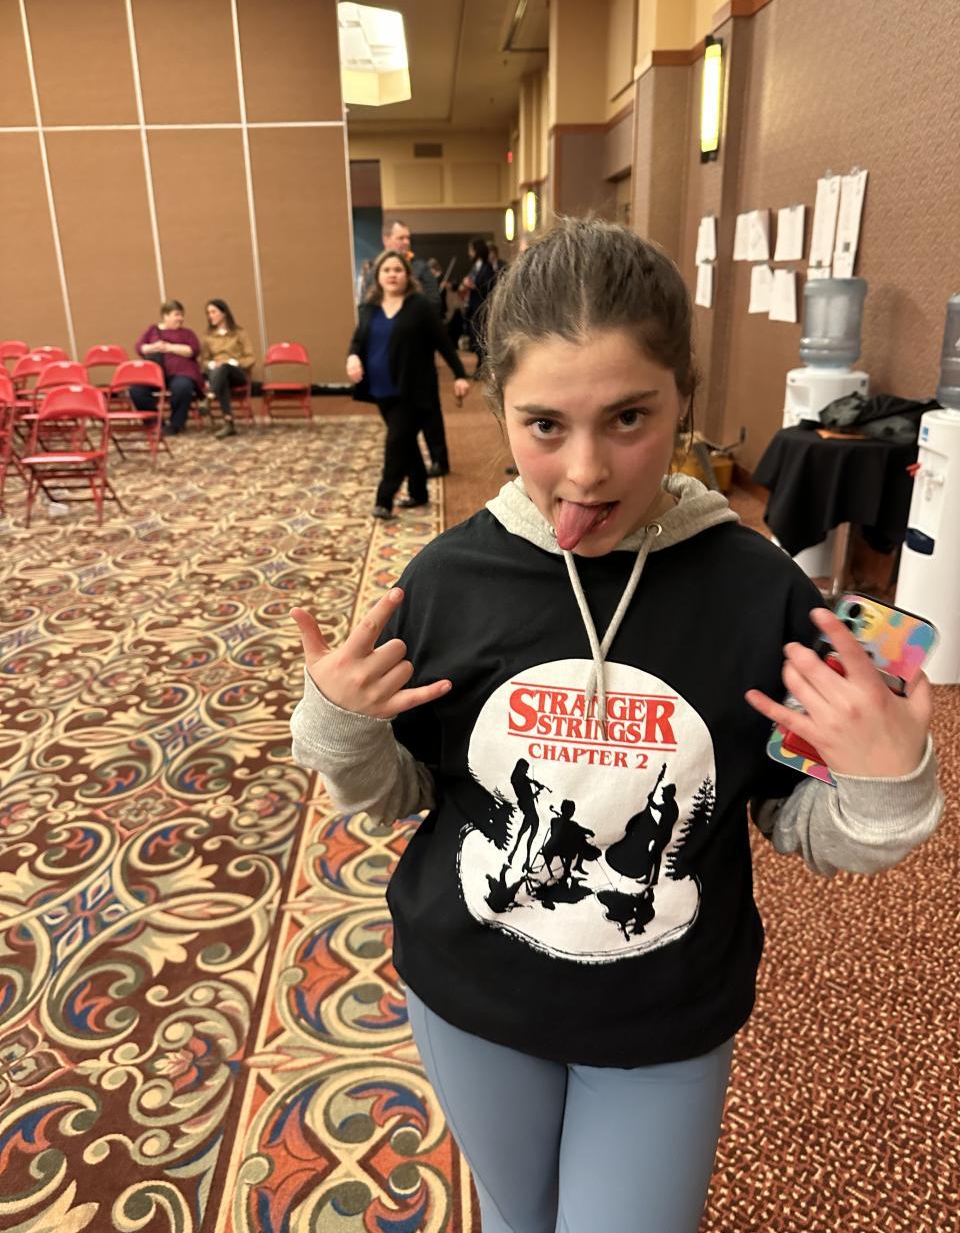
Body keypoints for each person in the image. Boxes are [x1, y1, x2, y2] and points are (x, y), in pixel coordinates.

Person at [290, 219, 942, 1233]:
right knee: (519, 1217)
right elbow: (402, 793)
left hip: (666, 1012)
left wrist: (886, 783)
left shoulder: (759, 592)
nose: (586, 471)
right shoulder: (450, 582)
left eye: (628, 418)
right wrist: (340, 725)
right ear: (498, 407)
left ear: (684, 398)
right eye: (544, 425)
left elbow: (802, 823)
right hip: (470, 992)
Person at [346, 248, 469, 519]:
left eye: (398, 270)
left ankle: (384, 499)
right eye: (387, 270)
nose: (392, 275)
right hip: (380, 389)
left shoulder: (419, 306)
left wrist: (460, 374)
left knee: (396, 442)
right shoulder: (368, 308)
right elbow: (358, 340)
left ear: (407, 275)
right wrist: (352, 357)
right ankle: (418, 491)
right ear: (378, 275)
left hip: (413, 389)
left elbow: (442, 342)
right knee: (406, 442)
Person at [133, 300, 204, 435]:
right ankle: (155, 422)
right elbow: (140, 348)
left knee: (182, 387)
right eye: (177, 315)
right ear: (165, 316)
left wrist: (170, 347)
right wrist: (155, 347)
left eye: (181, 315)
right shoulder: (152, 330)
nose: (180, 318)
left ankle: (176, 424)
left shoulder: (187, 333)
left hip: (181, 373)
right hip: (156, 374)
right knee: (136, 389)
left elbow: (193, 350)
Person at [200, 298, 256, 439]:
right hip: (217, 375)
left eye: (213, 312)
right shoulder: (208, 337)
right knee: (221, 376)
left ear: (224, 313)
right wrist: (212, 364)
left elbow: (250, 358)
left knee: (224, 368)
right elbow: (204, 361)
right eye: (208, 313)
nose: (210, 316)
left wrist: (232, 362)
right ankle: (229, 423)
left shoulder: (239, 333)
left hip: (237, 373)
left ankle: (210, 397)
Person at [461, 237, 495, 368]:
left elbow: (488, 287)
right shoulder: (476, 267)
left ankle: (482, 365)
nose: (469, 253)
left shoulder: (487, 267)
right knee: (474, 337)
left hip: (481, 307)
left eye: (471, 250)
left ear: (477, 251)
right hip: (473, 306)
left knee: (481, 337)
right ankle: (480, 364)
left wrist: (472, 285)